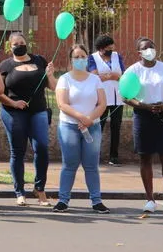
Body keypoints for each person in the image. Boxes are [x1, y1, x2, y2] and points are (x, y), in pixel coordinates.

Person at [123, 37, 163, 214]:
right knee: (145, 158)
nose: (149, 50)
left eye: (152, 47)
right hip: (143, 116)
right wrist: (144, 106)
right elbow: (125, 95)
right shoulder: (133, 71)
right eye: (145, 48)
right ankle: (150, 200)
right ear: (139, 52)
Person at [0, 31, 57, 207]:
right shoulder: (5, 65)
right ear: (10, 46)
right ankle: (19, 192)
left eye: (22, 42)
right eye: (15, 44)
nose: (19, 45)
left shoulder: (40, 61)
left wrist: (51, 74)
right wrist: (13, 104)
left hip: (38, 111)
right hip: (14, 112)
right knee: (18, 151)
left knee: (42, 148)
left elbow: (53, 87)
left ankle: (40, 189)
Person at [53, 44, 109, 214]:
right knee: (69, 164)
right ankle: (63, 200)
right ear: (71, 60)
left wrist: (89, 119)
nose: (79, 60)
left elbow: (102, 104)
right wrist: (81, 117)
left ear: (87, 58)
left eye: (82, 56)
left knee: (91, 165)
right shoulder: (65, 79)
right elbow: (62, 104)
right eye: (76, 57)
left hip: (92, 126)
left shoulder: (95, 79)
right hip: (69, 126)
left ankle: (96, 200)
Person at [87, 34, 125, 165]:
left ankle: (114, 156)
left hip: (117, 97)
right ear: (101, 49)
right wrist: (112, 75)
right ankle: (94, 155)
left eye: (112, 47)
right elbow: (94, 76)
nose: (111, 49)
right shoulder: (93, 58)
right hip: (101, 97)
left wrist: (108, 76)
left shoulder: (117, 56)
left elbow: (122, 75)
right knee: (98, 126)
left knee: (116, 127)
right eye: (108, 48)